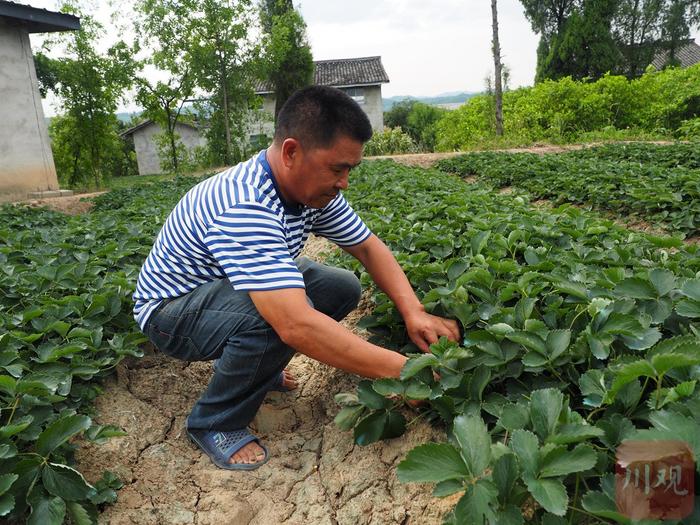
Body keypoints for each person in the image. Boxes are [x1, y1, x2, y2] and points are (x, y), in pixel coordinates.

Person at [133, 85, 460, 471]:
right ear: (291, 152)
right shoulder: (244, 204)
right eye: (337, 168)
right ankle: (215, 421)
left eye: (349, 170)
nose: (344, 182)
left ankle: (256, 368)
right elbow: (294, 325)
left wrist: (413, 311)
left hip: (225, 292)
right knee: (276, 318)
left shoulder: (307, 190)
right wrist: (403, 371)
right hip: (171, 313)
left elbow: (368, 247)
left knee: (340, 288)